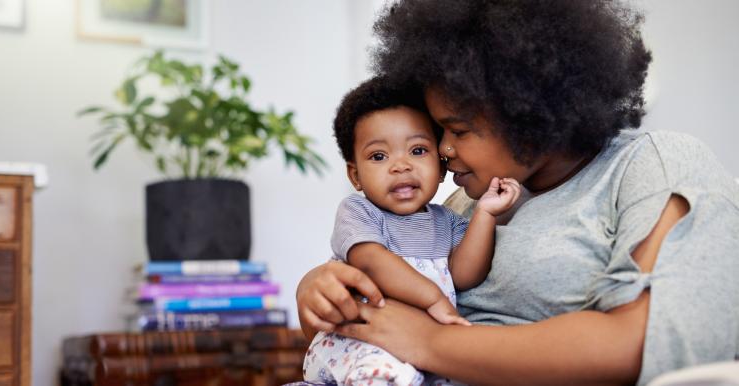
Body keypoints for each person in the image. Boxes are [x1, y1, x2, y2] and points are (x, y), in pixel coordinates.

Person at [295, 0, 739, 385]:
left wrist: (433, 341)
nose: (444, 151)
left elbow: (640, 343)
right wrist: (321, 287)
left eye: (458, 130)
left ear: (527, 111)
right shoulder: (469, 200)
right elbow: (398, 282)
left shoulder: (650, 166)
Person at [302, 76, 520, 385]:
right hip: (356, 342)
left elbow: (464, 274)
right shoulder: (358, 211)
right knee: (386, 376)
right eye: (379, 156)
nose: (401, 165)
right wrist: (433, 299)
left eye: (417, 151)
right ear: (356, 176)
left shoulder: (448, 220)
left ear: (441, 166)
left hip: (421, 350)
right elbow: (370, 262)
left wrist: (484, 213)